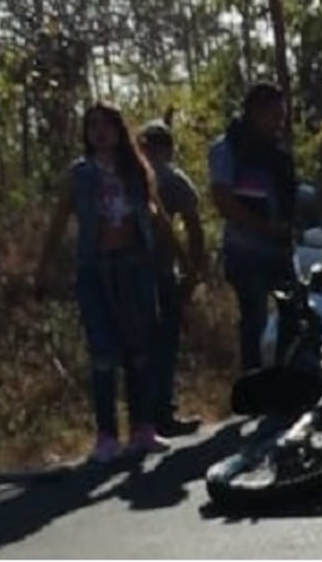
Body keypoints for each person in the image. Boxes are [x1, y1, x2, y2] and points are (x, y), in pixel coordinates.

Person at [35, 103, 189, 464]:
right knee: (103, 352)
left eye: (107, 125)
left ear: (120, 131)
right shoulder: (80, 174)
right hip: (96, 269)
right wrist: (42, 269)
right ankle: (106, 435)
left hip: (135, 267)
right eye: (93, 126)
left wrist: (183, 258)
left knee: (139, 350)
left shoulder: (135, 170)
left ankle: (143, 427)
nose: (100, 131)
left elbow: (158, 217)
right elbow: (59, 221)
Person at [208, 81, 297, 374]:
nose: (279, 124)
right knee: (255, 318)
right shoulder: (227, 149)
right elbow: (223, 199)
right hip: (246, 251)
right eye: (274, 116)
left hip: (281, 251)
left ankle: (286, 380)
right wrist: (264, 228)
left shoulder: (277, 154)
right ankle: (253, 383)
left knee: (292, 316)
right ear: (256, 113)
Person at [138, 118, 207, 438]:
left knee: (137, 344)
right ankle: (160, 412)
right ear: (168, 148)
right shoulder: (173, 178)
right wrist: (195, 269)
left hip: (126, 271)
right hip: (161, 270)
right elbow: (194, 226)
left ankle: (142, 418)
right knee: (164, 342)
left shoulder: (127, 175)